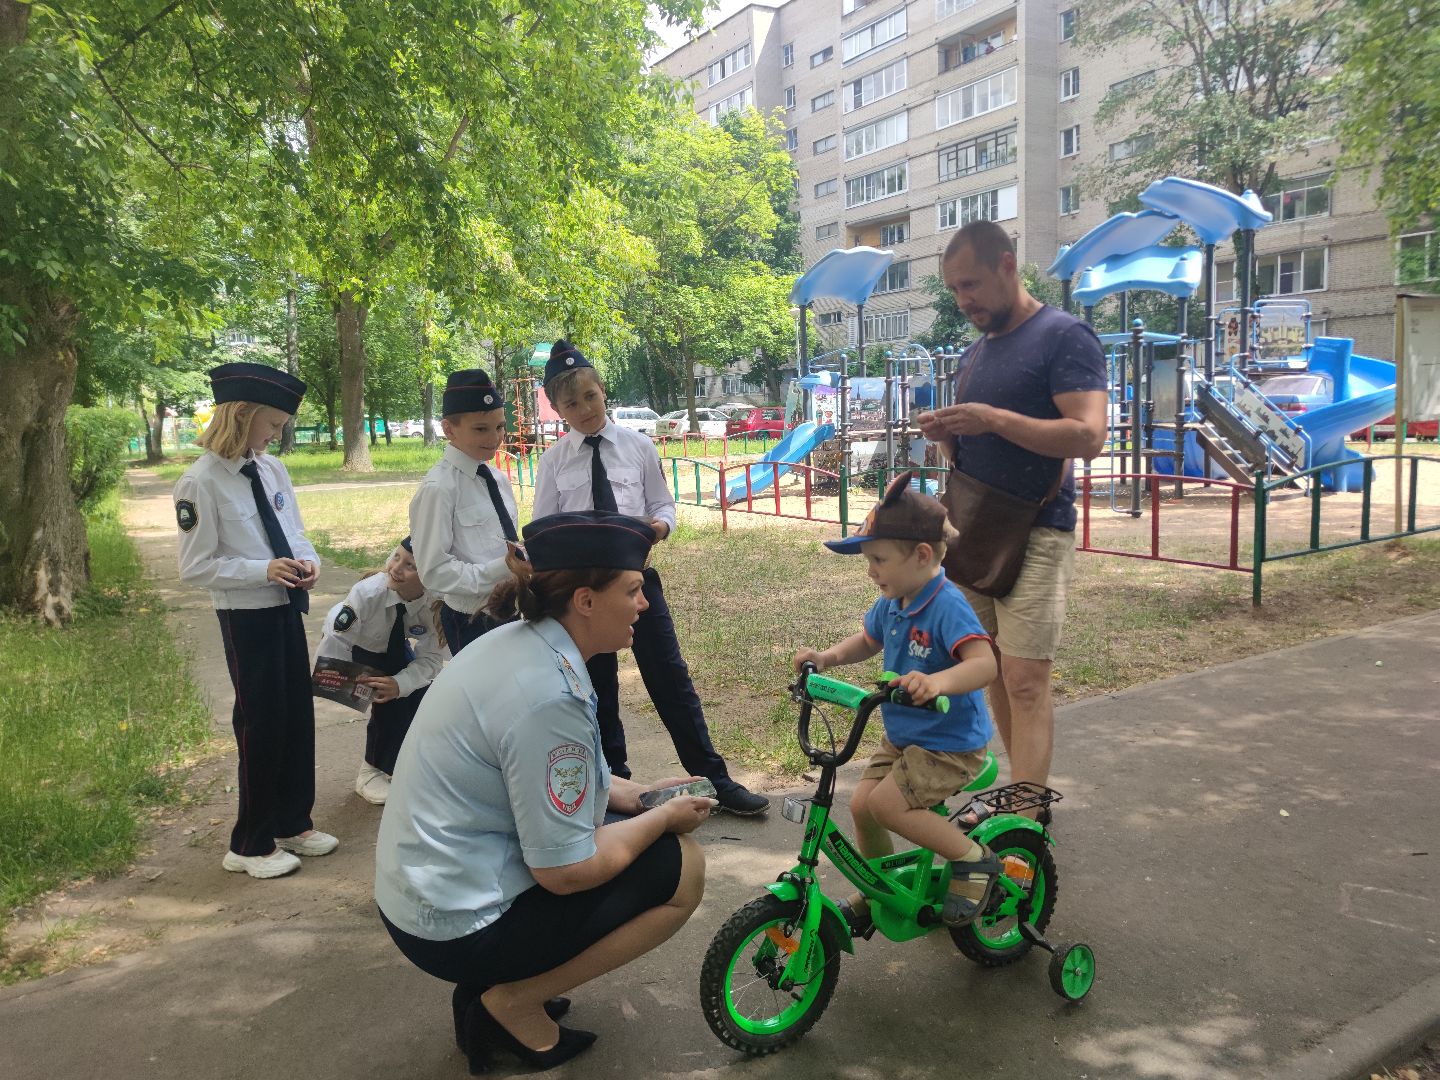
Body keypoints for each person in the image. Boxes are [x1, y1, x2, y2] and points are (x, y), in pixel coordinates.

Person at [375, 511, 712, 1074]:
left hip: (425, 900)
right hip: (455, 925)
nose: (644, 604)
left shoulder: (518, 642)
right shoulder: (548, 697)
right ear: (585, 600)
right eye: (632, 590)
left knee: (633, 835)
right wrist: (662, 819)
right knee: (682, 867)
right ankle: (512, 1001)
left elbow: (548, 779)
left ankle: (501, 987)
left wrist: (637, 795)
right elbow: (566, 871)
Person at [915, 220, 1107, 817]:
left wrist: (994, 419)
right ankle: (1018, 801)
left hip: (1037, 529)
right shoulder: (976, 352)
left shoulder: (1064, 336)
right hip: (973, 531)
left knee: (1025, 679)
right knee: (989, 668)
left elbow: (1088, 436)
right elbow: (971, 454)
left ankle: (1027, 817)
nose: (963, 300)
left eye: (970, 284)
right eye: (953, 290)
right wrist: (946, 436)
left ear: (1007, 265)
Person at [531, 340, 769, 816]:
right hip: (585, 596)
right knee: (595, 687)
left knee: (670, 679)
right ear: (556, 409)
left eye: (590, 397)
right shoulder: (554, 461)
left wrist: (659, 527)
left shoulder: (637, 446)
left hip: (636, 581)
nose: (583, 410)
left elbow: (662, 504)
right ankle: (612, 783)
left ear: (603, 392)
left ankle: (714, 780)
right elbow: (545, 527)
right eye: (570, 404)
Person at [793, 472, 1001, 929]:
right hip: (905, 738)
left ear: (922, 555)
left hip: (951, 745)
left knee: (887, 806)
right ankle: (878, 886)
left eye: (878, 559)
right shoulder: (893, 601)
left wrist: (940, 683)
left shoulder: (946, 605)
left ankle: (973, 858)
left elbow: (984, 664)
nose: (871, 570)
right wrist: (826, 658)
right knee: (863, 806)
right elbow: (867, 641)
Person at [173, 361, 336, 880]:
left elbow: (295, 529)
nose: (277, 435)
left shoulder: (271, 469)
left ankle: (292, 820)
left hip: (286, 608)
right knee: (261, 723)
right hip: (246, 619)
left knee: (295, 716)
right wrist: (262, 570)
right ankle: (249, 841)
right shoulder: (200, 482)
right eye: (272, 425)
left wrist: (307, 562)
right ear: (241, 415)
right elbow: (195, 566)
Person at [316, 536, 444, 805]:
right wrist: (347, 684)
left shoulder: (436, 602)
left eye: (411, 565)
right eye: (396, 557)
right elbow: (337, 640)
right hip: (356, 646)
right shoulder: (367, 593)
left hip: (394, 645)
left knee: (418, 696)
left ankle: (402, 765)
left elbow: (432, 656)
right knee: (386, 704)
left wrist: (401, 683)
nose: (397, 567)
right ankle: (370, 772)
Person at [409, 368, 518, 655]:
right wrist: (503, 568)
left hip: (514, 608)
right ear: (449, 429)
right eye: (481, 429)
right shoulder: (439, 488)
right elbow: (434, 571)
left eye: (500, 427)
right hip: (473, 619)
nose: (495, 438)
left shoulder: (498, 479)